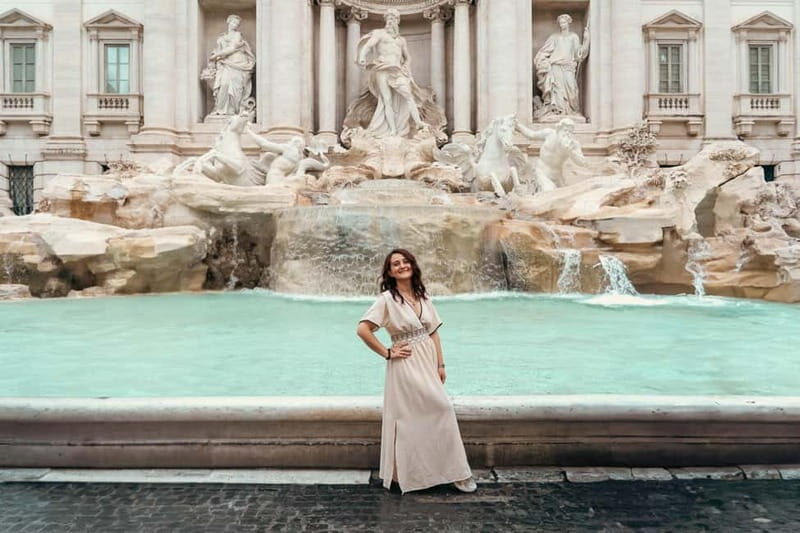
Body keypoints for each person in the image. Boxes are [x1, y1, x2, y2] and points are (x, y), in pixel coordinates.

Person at [356, 249, 476, 494]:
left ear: (412, 265)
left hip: (427, 361)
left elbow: (433, 332)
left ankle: (445, 473)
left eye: (405, 261)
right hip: (406, 364)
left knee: (438, 410)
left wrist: (440, 365)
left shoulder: (423, 296)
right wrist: (387, 352)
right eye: (395, 264)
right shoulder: (387, 299)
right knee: (416, 417)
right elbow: (363, 329)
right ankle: (416, 476)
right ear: (389, 272)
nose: (402, 266)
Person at [533, 14, 590, 120]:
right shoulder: (554, 37)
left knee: (571, 89)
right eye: (560, 23)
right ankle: (557, 111)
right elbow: (543, 52)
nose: (562, 24)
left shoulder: (574, 37)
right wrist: (543, 61)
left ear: (568, 23)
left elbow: (579, 55)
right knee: (557, 91)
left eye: (564, 22)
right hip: (555, 67)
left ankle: (572, 111)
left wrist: (586, 40)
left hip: (569, 67)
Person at [204, 14, 256, 116]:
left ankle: (232, 110)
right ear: (228, 22)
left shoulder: (237, 35)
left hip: (238, 63)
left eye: (237, 23)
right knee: (224, 84)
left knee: (236, 87)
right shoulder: (222, 37)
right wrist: (214, 56)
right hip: (225, 65)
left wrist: (216, 56)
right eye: (233, 22)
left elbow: (231, 49)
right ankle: (221, 109)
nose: (235, 25)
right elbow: (218, 50)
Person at [516, 117, 588, 190]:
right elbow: (531, 135)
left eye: (570, 132)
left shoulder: (573, 144)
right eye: (565, 130)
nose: (567, 134)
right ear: (559, 129)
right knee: (549, 192)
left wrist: (572, 153)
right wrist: (517, 125)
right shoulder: (549, 134)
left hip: (557, 176)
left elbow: (582, 162)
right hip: (542, 172)